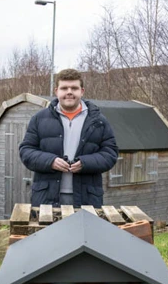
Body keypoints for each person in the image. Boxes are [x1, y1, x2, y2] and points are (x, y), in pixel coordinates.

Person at [19, 68, 118, 207]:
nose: (69, 92)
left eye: (74, 88)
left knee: (84, 230)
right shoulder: (39, 119)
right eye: (64, 88)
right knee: (50, 229)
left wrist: (85, 163)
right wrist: (50, 161)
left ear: (82, 91)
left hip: (87, 198)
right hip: (46, 197)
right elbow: (26, 151)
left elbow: (111, 154)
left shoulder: (98, 121)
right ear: (56, 91)